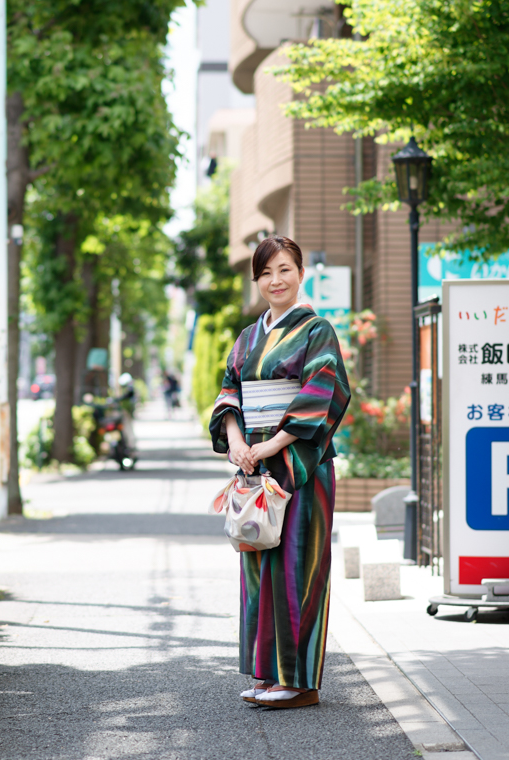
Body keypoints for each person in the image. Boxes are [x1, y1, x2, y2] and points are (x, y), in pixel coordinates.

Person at [209, 236, 351, 710]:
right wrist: (237, 443)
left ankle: (301, 681)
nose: (276, 280)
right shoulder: (247, 337)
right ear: (257, 280)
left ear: (300, 274)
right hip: (254, 463)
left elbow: (322, 390)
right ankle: (267, 674)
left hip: (299, 464)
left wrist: (271, 444)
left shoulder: (317, 330)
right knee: (258, 564)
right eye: (267, 272)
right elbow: (230, 392)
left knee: (298, 566)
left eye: (285, 269)